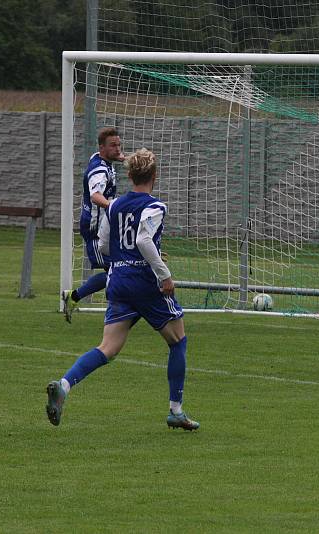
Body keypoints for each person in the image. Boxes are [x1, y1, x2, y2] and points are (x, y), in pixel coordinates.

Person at [46, 148, 199, 431]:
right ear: (155, 175)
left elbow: (103, 245)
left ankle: (64, 386)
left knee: (108, 348)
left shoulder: (113, 205)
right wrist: (163, 274)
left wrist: (123, 258)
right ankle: (175, 410)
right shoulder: (156, 206)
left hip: (117, 280)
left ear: (129, 176)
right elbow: (143, 240)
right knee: (178, 340)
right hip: (144, 282)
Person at [61, 127, 125, 323]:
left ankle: (75, 297)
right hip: (96, 230)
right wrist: (113, 206)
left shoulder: (99, 159)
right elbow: (95, 196)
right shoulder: (98, 171)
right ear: (102, 148)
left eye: (119, 145)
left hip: (106, 227)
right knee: (117, 271)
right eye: (113, 145)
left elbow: (110, 157)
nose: (118, 149)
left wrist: (125, 158)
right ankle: (76, 298)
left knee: (119, 270)